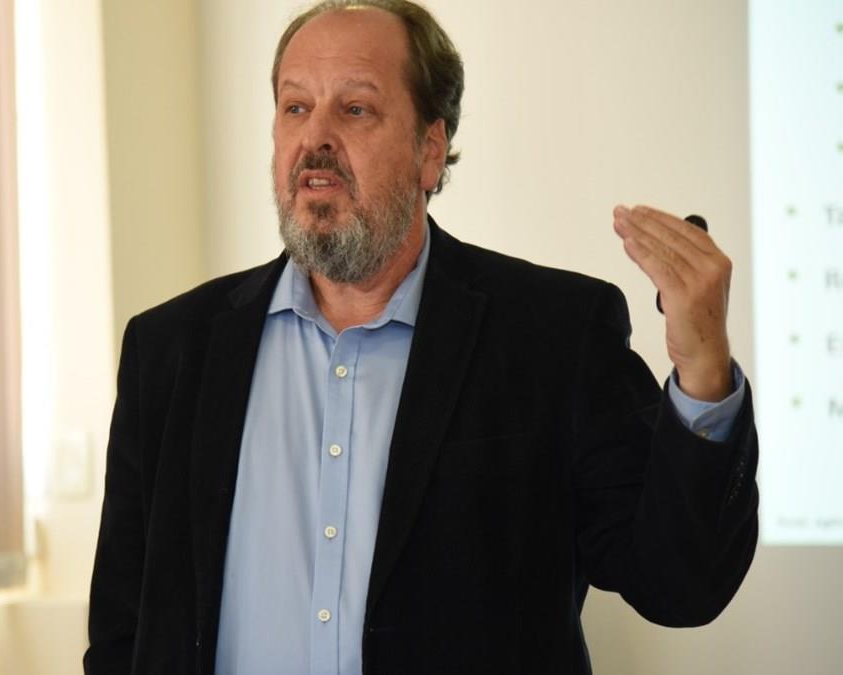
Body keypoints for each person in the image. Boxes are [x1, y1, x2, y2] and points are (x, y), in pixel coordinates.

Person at [84, 1, 758, 673]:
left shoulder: (553, 336)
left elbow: (677, 581)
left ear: (429, 151)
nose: (315, 137)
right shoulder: (171, 351)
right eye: (295, 107)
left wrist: (702, 371)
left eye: (355, 109)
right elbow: (122, 635)